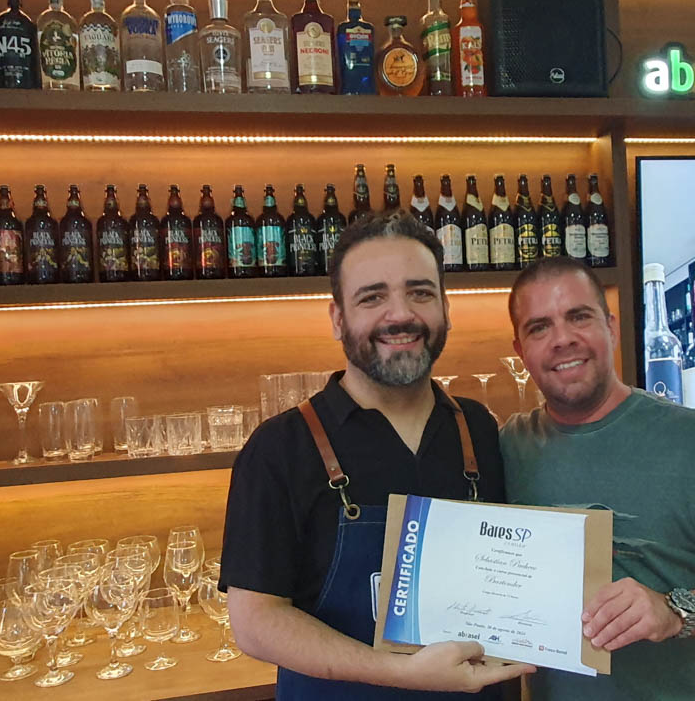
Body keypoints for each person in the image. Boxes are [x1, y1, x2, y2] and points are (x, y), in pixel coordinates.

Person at [219, 211, 534, 700]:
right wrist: (403, 673)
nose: (400, 314)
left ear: (446, 308)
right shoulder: (279, 448)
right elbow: (256, 623)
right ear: (337, 318)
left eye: (420, 292)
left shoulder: (478, 426)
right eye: (372, 297)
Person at [500, 256, 695, 701]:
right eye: (539, 327)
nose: (563, 339)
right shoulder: (506, 447)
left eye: (579, 317)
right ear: (520, 350)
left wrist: (673, 610)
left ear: (611, 328)